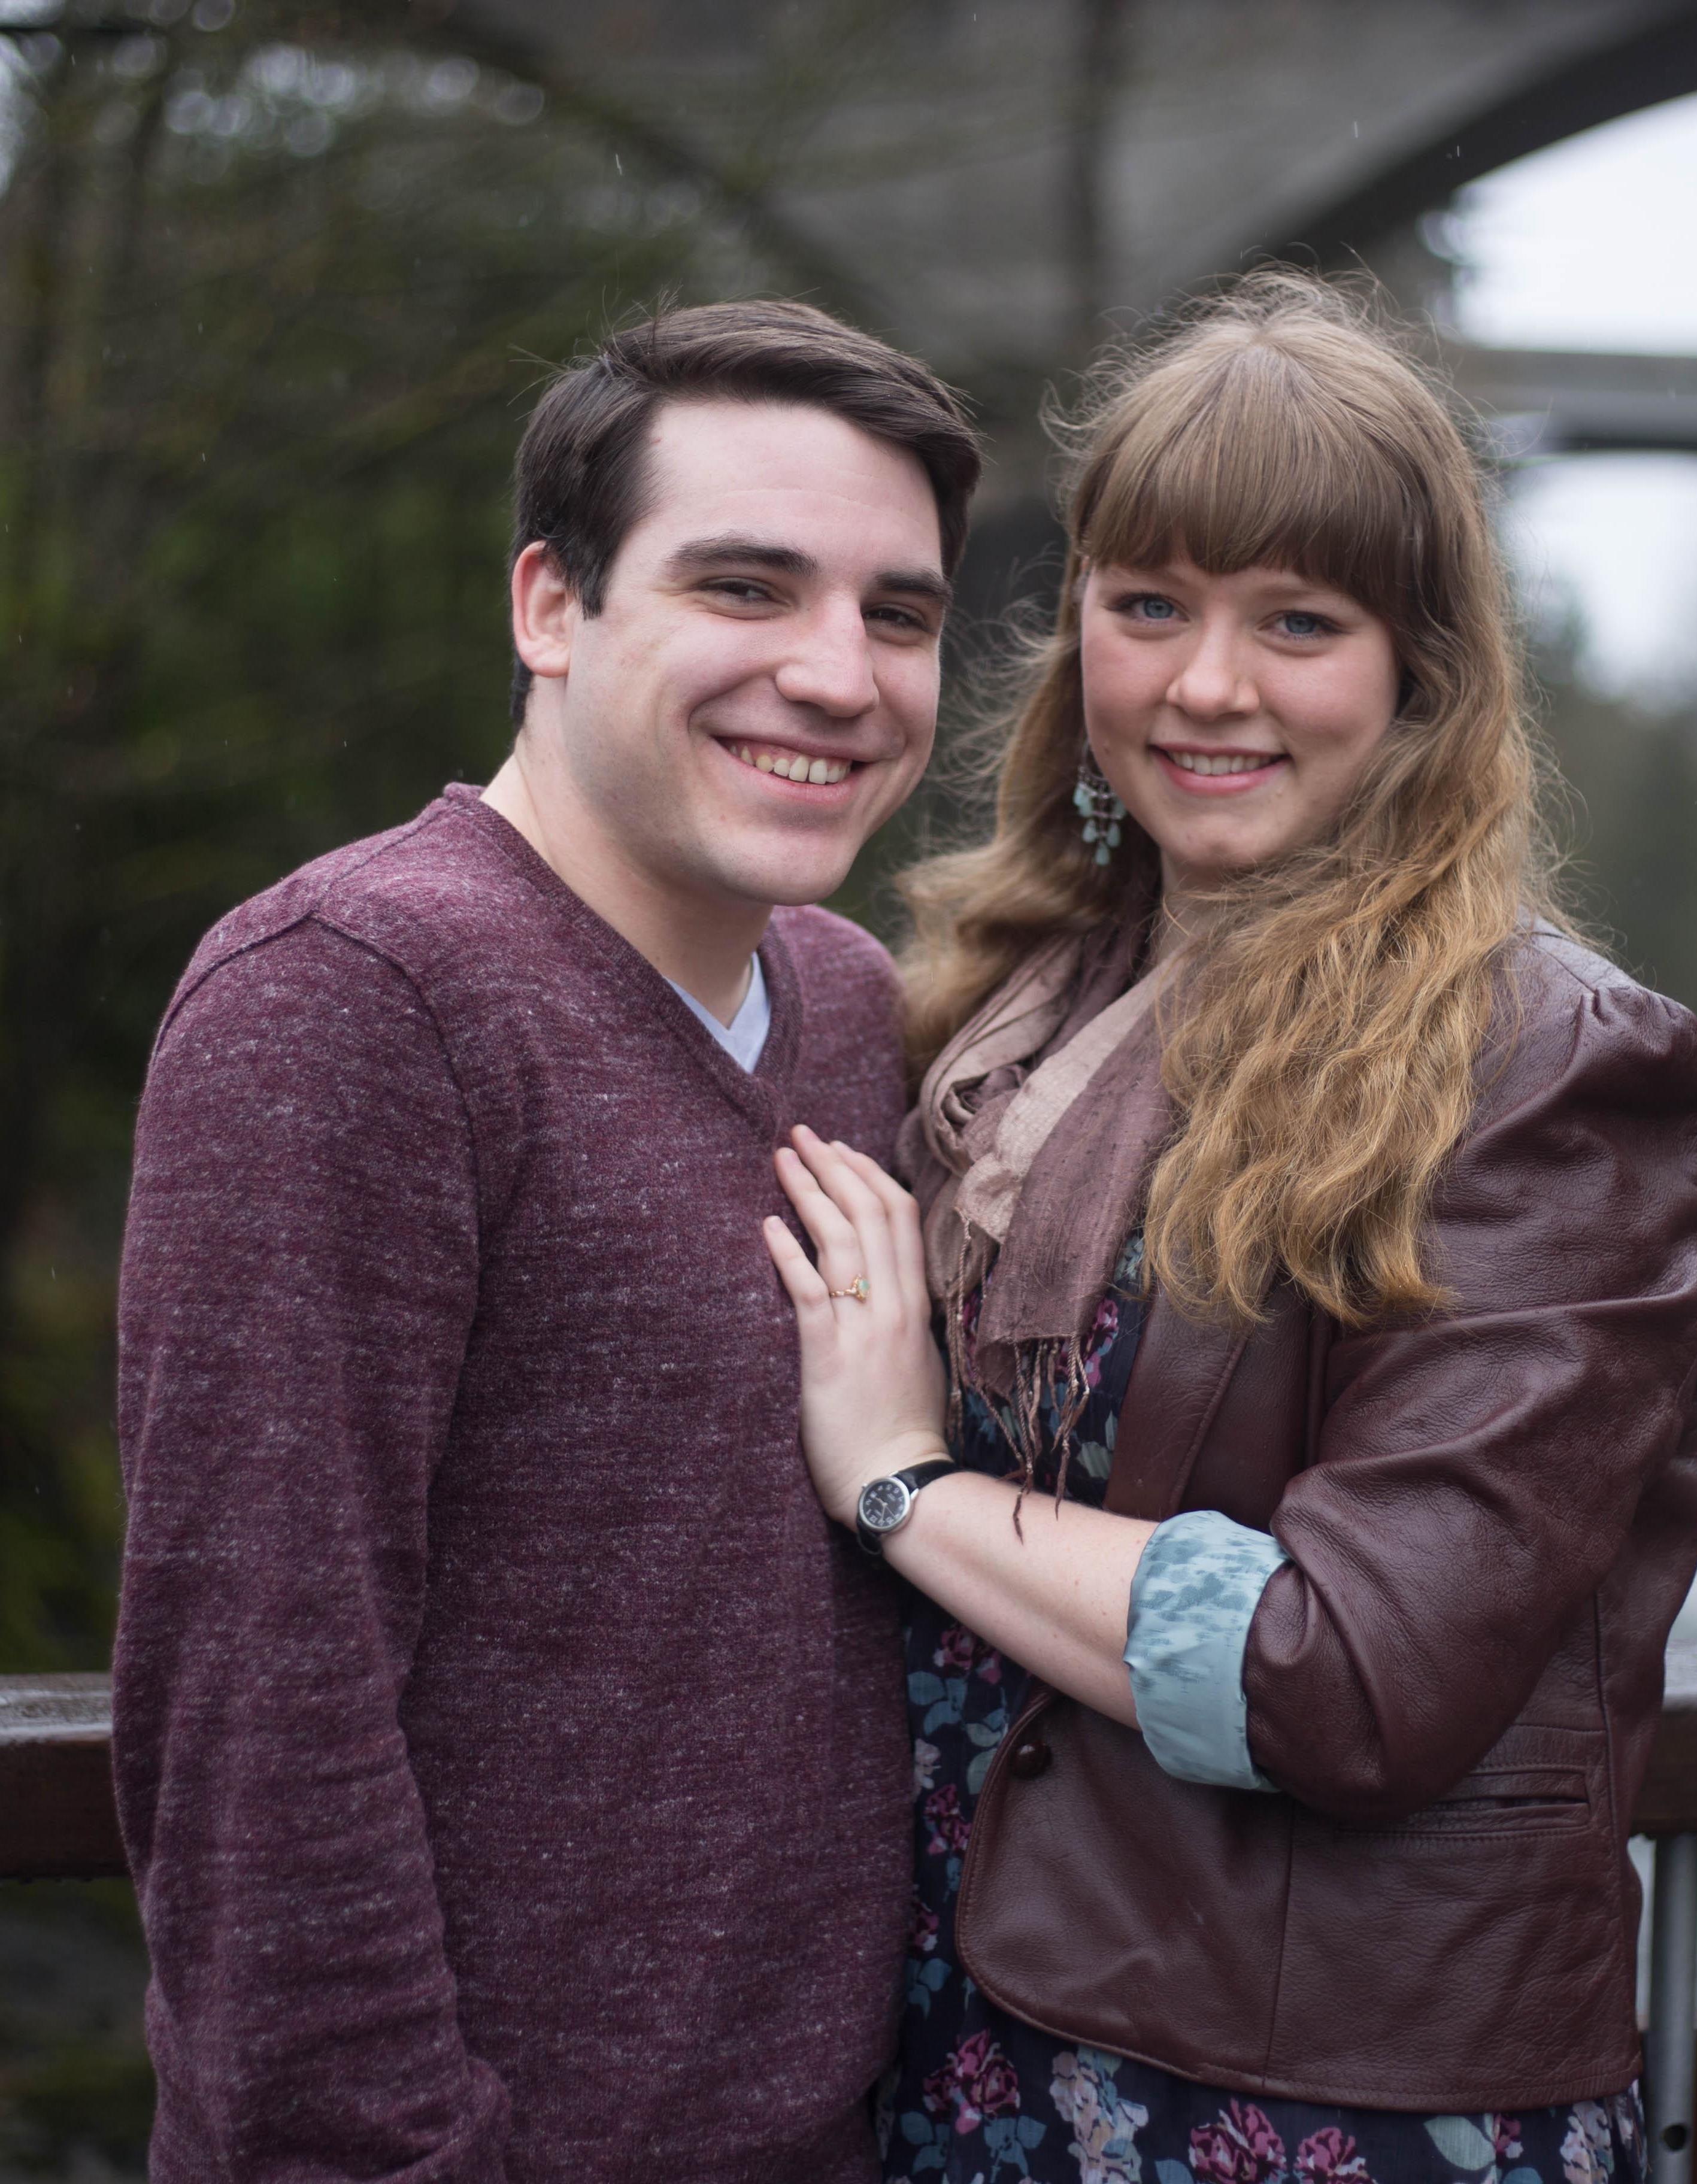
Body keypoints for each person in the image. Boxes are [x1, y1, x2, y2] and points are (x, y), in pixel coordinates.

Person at [763, 272, 1697, 2183]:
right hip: (975, 2021)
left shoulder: (1545, 1064)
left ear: (1417, 677)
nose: (1208, 685)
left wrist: (901, 1481)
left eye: (1298, 621)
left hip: (1305, 2101)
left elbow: (1351, 1671)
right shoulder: (999, 1007)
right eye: (1152, 607)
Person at [111, 300, 980, 2182]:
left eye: (895, 614)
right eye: (746, 588)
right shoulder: (348, 1004)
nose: (838, 675)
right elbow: (263, 1716)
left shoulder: (849, 1007)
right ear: (552, 609)